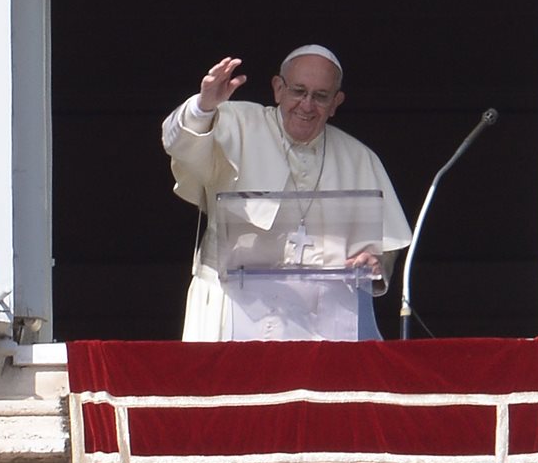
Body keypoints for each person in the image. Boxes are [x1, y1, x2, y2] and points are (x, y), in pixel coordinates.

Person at [162, 44, 412, 341]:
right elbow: (178, 144)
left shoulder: (359, 158)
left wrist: (374, 261)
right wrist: (202, 107)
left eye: (320, 96)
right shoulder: (236, 121)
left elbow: (384, 246)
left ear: (336, 102)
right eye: (298, 91)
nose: (307, 105)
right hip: (230, 303)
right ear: (278, 88)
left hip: (321, 318)